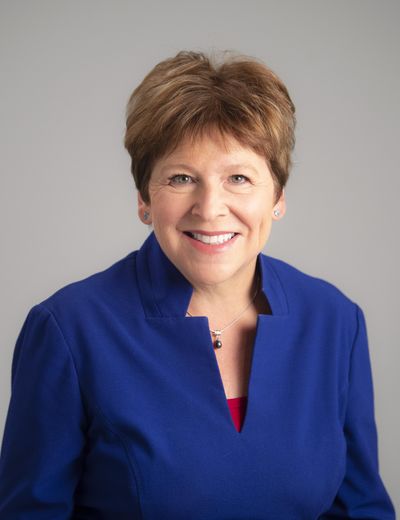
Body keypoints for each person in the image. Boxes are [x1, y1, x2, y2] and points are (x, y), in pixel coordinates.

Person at [0, 50, 395, 519]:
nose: (210, 208)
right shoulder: (69, 329)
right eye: (182, 178)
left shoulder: (334, 321)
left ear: (278, 198)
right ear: (145, 199)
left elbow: (360, 509)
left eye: (240, 178)